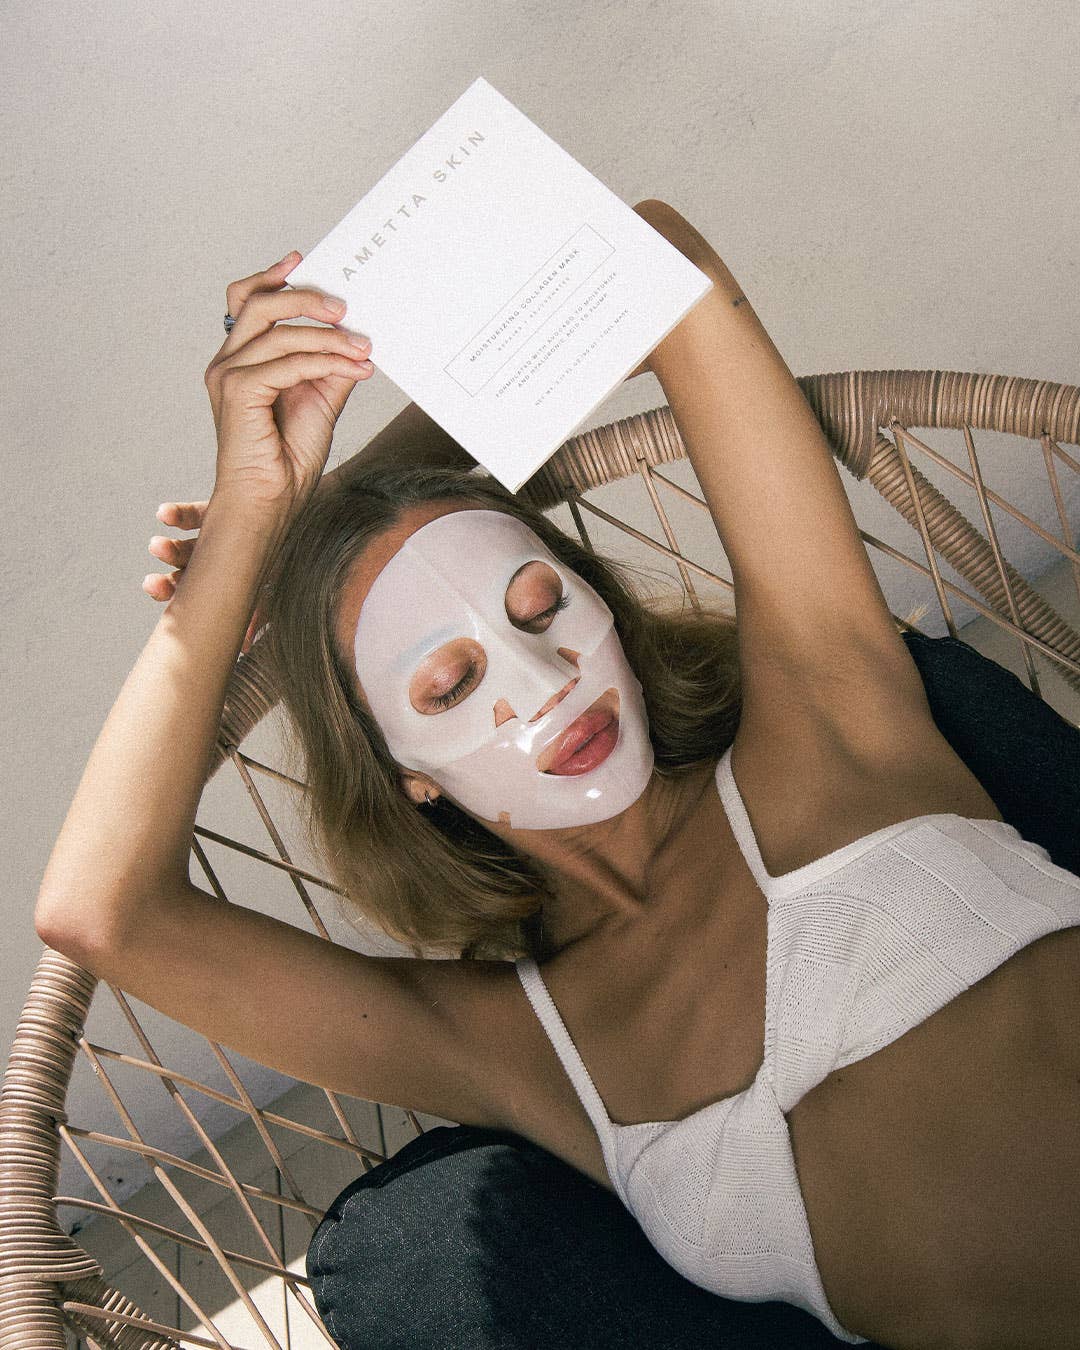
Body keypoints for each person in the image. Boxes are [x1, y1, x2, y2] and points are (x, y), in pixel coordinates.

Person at [34, 200, 1080, 1349]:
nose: (543, 682)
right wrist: (250, 521)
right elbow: (102, 910)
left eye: (541, 606)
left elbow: (660, 259)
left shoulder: (828, 721)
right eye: (447, 684)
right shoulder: (514, 1048)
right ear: (405, 773)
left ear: (609, 608)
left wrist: (319, 490)